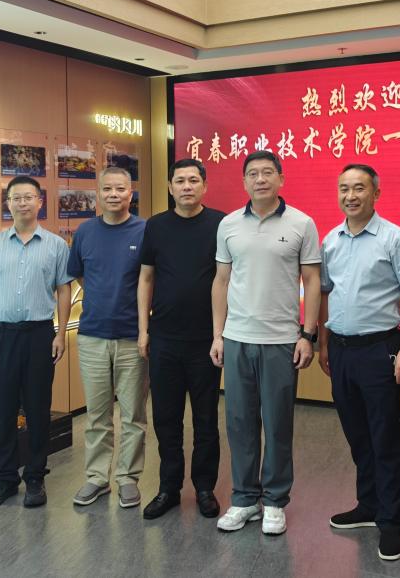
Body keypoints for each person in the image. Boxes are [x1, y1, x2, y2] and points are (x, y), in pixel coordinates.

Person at [317, 164, 400, 561]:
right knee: (357, 434)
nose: (351, 195)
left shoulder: (395, 238)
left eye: (359, 188)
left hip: (380, 349)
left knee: (384, 438)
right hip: (341, 349)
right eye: (344, 188)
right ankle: (367, 505)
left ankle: (391, 523)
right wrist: (324, 344)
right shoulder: (330, 240)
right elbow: (325, 293)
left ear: (376, 193)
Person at [210, 150, 321, 536]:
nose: (260, 179)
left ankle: (274, 501)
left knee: (277, 424)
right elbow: (221, 281)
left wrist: (308, 335)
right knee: (239, 423)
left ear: (281, 178)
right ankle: (244, 499)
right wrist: (218, 334)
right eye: (253, 174)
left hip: (281, 341)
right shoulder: (228, 225)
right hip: (237, 339)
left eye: (267, 173)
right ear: (244, 182)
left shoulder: (302, 223)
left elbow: (312, 281)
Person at [0, 176, 71, 508]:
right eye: (16, 197)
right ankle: (3, 479)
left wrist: (61, 333)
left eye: (29, 197)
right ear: (8, 203)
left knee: (38, 410)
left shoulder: (56, 245)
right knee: (2, 411)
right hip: (0, 336)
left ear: (40, 202)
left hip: (39, 335)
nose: (23, 203)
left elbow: (64, 290)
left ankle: (35, 477)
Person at [137, 158, 226, 520]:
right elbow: (146, 278)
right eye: (180, 181)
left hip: (206, 340)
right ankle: (168, 489)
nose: (187, 186)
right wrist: (144, 330)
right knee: (166, 419)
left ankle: (204, 488)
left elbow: (228, 279)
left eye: (193, 180)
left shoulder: (220, 224)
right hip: (164, 339)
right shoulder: (156, 226)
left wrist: (221, 334)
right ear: (170, 187)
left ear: (204, 185)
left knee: (206, 419)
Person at [68, 166, 148, 509]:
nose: (113, 195)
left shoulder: (145, 231)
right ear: (98, 193)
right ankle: (97, 477)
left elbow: (150, 280)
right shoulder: (85, 232)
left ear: (131, 193)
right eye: (107, 189)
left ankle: (128, 478)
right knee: (97, 414)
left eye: (120, 189)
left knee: (133, 415)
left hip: (132, 337)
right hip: (92, 336)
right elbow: (79, 275)